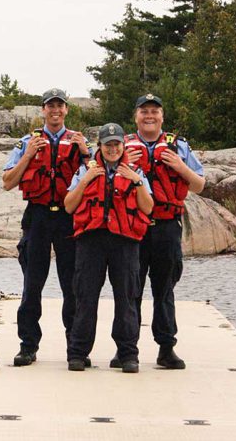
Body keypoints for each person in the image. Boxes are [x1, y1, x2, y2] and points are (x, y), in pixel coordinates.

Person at [115, 94, 205, 370]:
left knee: (164, 290)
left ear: (162, 116)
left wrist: (179, 166)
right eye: (144, 111)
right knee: (131, 290)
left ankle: (166, 348)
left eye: (154, 111)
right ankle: (126, 349)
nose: (149, 116)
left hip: (166, 227)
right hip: (134, 227)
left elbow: (199, 184)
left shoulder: (179, 147)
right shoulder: (122, 147)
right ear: (136, 117)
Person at [2, 88, 90, 367]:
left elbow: (94, 179)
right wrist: (28, 156)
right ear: (43, 110)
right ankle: (28, 345)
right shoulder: (27, 142)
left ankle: (75, 348)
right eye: (50, 106)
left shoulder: (77, 141)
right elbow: (7, 182)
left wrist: (86, 154)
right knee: (32, 285)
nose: (55, 110)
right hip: (38, 217)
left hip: (67, 217)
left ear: (66, 110)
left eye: (60, 106)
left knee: (72, 286)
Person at [64, 123, 153, 373]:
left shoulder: (135, 171)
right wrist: (87, 180)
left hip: (124, 241)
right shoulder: (85, 170)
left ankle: (128, 355)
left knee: (126, 298)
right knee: (85, 298)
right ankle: (78, 353)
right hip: (91, 241)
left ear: (123, 146)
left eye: (116, 144)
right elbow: (69, 206)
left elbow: (148, 208)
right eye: (107, 145)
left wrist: (136, 182)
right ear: (100, 147)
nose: (112, 149)